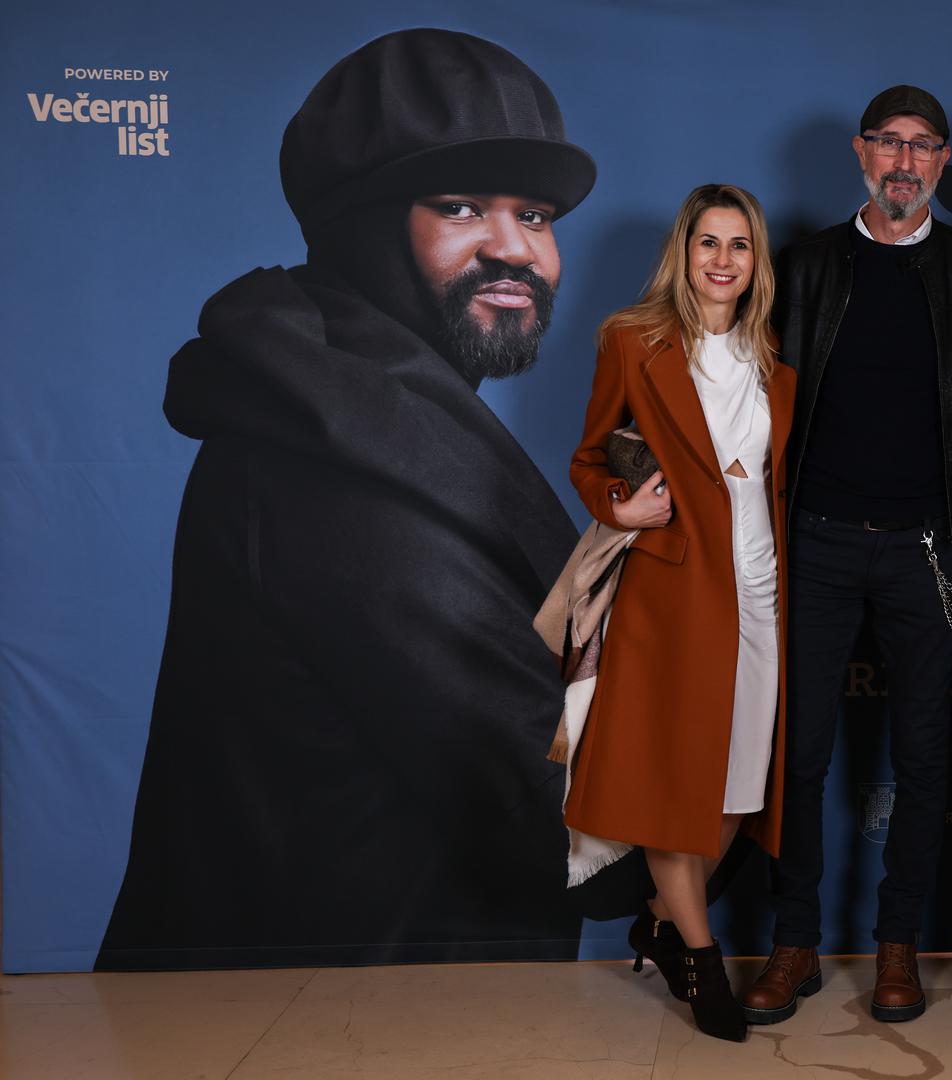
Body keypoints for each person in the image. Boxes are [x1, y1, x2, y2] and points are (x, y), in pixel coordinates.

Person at [97, 29, 596, 970]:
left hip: (385, 999)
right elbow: (574, 826)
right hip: (342, 1015)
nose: (513, 248)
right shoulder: (346, 466)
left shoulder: (369, 418)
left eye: (534, 215)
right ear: (364, 228)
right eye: (460, 207)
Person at [741, 85, 952, 1026]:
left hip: (928, 548)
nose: (904, 161)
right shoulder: (805, 265)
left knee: (922, 758)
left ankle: (897, 945)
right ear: (860, 153)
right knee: (799, 754)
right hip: (817, 541)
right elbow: (735, 381)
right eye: (889, 142)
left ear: (942, 161)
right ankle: (794, 941)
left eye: (922, 146)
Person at [566, 184, 795, 1042]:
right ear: (683, 251)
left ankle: (661, 921)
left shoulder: (773, 353)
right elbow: (590, 457)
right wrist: (620, 507)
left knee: (740, 781)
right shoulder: (633, 340)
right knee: (676, 779)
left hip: (762, 587)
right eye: (708, 243)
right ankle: (701, 960)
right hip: (673, 590)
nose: (722, 260)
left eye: (739, 245)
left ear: (755, 259)